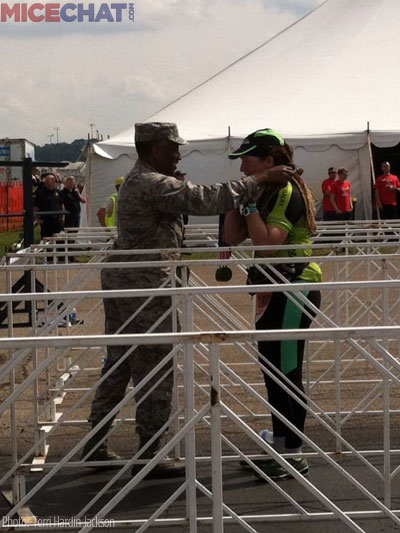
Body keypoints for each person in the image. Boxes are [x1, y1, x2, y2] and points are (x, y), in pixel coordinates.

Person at [81, 122, 295, 476]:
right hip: (146, 285)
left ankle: (94, 445)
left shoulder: (143, 181)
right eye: (172, 148)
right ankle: (150, 454)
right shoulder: (151, 182)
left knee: (118, 365)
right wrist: (260, 180)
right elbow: (206, 199)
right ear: (154, 151)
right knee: (155, 366)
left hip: (127, 281)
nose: (179, 154)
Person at [224, 128, 322, 481]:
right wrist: (240, 200)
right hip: (272, 288)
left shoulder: (285, 189)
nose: (241, 169)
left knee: (286, 372)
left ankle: (293, 454)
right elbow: (232, 237)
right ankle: (280, 446)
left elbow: (267, 245)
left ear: (269, 160)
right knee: (271, 370)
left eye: (247, 160)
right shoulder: (263, 188)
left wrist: (249, 204)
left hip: (295, 287)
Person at [33, 172, 65, 239]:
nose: (53, 181)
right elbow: (36, 207)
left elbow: (61, 204)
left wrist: (63, 216)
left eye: (53, 179)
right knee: (46, 240)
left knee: (59, 239)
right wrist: (37, 219)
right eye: (50, 179)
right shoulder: (41, 193)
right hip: (46, 220)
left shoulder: (58, 192)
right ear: (46, 181)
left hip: (57, 220)